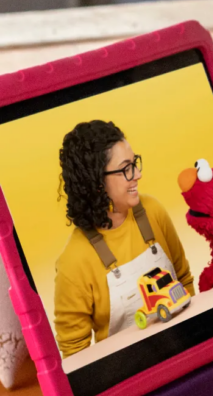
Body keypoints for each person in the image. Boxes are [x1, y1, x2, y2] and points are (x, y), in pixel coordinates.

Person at [55, 121, 194, 358]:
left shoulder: (153, 211)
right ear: (97, 182)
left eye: (135, 163)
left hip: (185, 349)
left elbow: (184, 281)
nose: (138, 174)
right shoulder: (73, 262)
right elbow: (76, 356)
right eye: (126, 168)